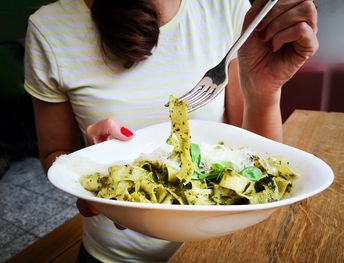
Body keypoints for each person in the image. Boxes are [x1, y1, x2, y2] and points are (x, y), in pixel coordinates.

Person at [24, 0, 318, 262]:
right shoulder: (49, 29)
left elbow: (258, 162)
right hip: (113, 255)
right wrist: (93, 170)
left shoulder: (228, 8)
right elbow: (54, 155)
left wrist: (265, 91)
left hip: (222, 251)